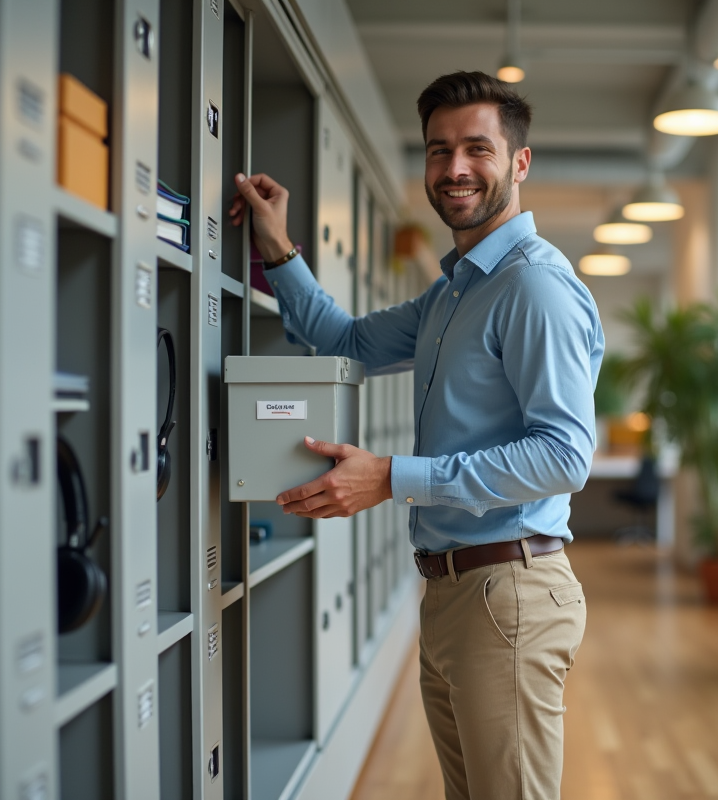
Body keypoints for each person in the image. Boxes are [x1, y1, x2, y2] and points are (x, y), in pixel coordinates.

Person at [228, 70, 604, 800]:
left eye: (477, 149)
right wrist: (277, 248)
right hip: (456, 589)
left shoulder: (533, 286)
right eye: (438, 152)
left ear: (519, 162)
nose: (455, 169)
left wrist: (394, 477)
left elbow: (565, 455)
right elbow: (343, 340)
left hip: (509, 590)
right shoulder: (455, 289)